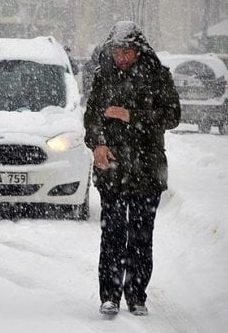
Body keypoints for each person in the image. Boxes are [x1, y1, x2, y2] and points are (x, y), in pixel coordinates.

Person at [83, 21, 180, 317]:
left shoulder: (158, 76)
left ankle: (137, 295)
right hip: (111, 168)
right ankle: (109, 295)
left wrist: (131, 115)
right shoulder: (103, 77)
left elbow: (173, 115)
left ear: (138, 51)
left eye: (127, 51)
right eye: (117, 51)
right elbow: (92, 118)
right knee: (112, 233)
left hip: (148, 169)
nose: (121, 57)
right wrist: (98, 143)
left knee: (140, 236)